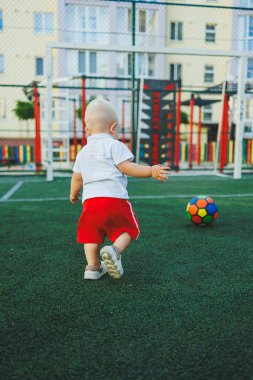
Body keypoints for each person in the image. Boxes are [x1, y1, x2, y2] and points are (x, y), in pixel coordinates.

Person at [70, 99, 170, 280]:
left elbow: (77, 177)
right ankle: (114, 250)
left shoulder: (83, 152)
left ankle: (92, 268)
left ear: (87, 130)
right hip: (114, 200)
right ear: (113, 127)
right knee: (130, 228)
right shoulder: (114, 145)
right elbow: (127, 167)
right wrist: (150, 171)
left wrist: (73, 194)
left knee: (91, 237)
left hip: (90, 204)